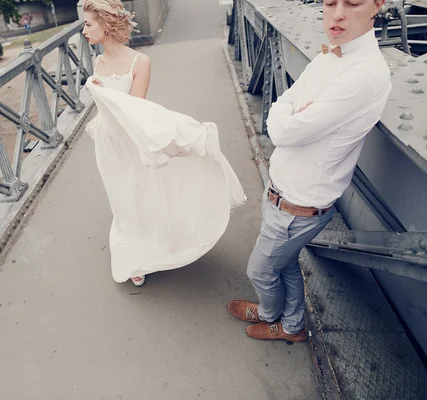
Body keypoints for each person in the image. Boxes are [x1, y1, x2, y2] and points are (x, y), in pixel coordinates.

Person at [227, 0, 391, 342]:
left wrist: (287, 115)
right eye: (330, 2)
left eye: (353, 3)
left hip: (296, 207)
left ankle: (273, 318)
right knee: (282, 264)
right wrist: (289, 111)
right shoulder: (333, 53)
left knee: (259, 270)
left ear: (378, 4)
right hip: (284, 195)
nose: (338, 13)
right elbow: (286, 101)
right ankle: (293, 325)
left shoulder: (362, 74)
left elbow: (284, 131)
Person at [82, 0, 246, 286]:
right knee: (121, 199)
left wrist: (100, 92)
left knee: (142, 194)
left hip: (131, 139)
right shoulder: (97, 62)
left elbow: (136, 111)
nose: (84, 30)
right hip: (109, 142)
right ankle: (131, 253)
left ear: (105, 26)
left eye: (88, 24)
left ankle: (151, 250)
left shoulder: (139, 62)